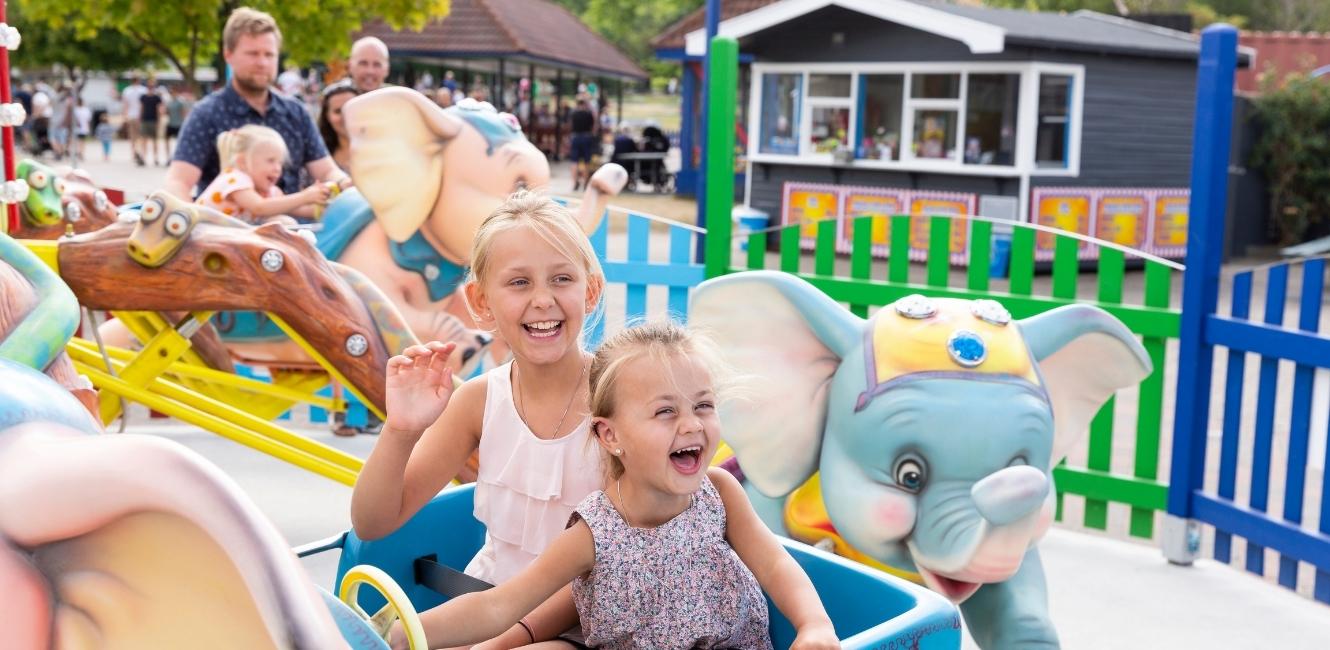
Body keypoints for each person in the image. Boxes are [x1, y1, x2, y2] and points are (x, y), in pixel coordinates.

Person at [391, 321, 842, 650]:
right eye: (665, 411)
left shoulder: (719, 493)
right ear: (610, 436)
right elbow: (500, 606)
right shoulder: (595, 531)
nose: (692, 424)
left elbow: (775, 566)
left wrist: (815, 624)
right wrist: (401, 632)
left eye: (703, 406)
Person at [352, 190, 608, 648]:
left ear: (589, 290)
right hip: (485, 606)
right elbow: (372, 524)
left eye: (561, 279)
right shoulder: (478, 400)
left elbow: (628, 553)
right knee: (376, 637)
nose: (543, 299)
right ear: (481, 300)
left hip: (585, 622)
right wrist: (401, 430)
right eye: (519, 283)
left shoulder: (618, 399)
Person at [164, 7, 348, 202]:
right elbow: (179, 181)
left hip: (293, 218)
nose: (262, 63)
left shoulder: (296, 112)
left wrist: (346, 184)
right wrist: (185, 214)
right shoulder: (206, 114)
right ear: (228, 55)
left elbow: (326, 171)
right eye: (253, 54)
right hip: (228, 220)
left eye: (269, 55)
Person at [194, 124, 331, 223]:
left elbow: (297, 209)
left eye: (280, 163)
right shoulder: (235, 178)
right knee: (282, 223)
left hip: (226, 241)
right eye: (270, 161)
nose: (277, 168)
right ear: (242, 162)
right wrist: (304, 196)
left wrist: (326, 205)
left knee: (283, 221)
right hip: (201, 241)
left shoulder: (268, 191)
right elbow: (259, 207)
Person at [317, 80, 359, 174]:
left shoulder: (384, 146)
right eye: (338, 111)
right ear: (327, 116)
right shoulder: (318, 155)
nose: (345, 116)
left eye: (351, 108)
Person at [568, 98, 595, 191]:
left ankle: (575, 182)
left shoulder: (573, 114)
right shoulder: (588, 114)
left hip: (575, 137)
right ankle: (585, 182)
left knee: (574, 161)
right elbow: (593, 126)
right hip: (586, 137)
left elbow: (570, 125)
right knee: (587, 161)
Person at [121, 75, 148, 166]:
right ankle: (142, 153)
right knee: (141, 136)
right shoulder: (143, 90)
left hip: (131, 116)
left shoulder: (127, 90)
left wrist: (124, 116)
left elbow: (125, 105)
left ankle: (133, 154)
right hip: (141, 116)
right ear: (138, 80)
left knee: (132, 136)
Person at [140, 78, 167, 166]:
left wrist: (159, 121)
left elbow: (159, 110)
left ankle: (156, 158)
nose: (150, 87)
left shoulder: (157, 97)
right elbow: (141, 108)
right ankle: (143, 157)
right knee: (144, 140)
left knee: (155, 140)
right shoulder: (143, 97)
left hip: (154, 120)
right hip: (145, 119)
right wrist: (140, 118)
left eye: (152, 86)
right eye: (149, 86)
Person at [72, 96, 92, 163]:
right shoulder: (86, 110)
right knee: (82, 142)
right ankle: (81, 153)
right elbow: (88, 120)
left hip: (77, 128)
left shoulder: (75, 110)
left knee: (77, 141)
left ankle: (79, 152)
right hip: (84, 128)